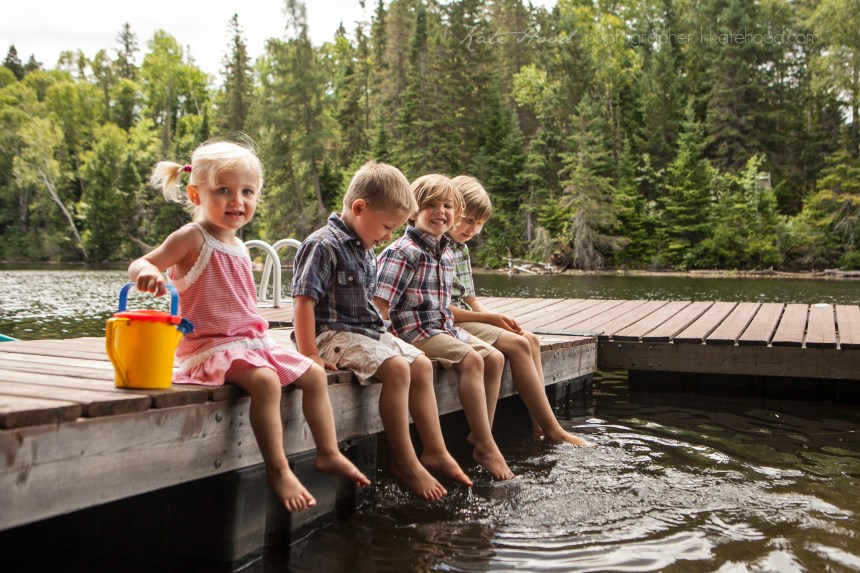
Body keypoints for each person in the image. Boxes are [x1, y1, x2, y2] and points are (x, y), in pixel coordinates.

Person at [129, 139, 369, 513]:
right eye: (223, 190)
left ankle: (328, 452)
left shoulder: (239, 246)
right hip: (210, 347)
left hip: (252, 343)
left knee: (314, 375)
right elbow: (142, 262)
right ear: (195, 194)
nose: (236, 201)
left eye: (247, 192)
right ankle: (278, 469)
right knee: (266, 382)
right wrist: (148, 273)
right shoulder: (192, 237)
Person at [291, 161, 472, 500]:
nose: (389, 236)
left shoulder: (365, 245)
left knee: (420, 364)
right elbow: (303, 302)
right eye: (387, 227)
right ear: (360, 208)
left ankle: (434, 450)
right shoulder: (323, 245)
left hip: (366, 333)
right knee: (398, 369)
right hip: (330, 335)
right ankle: (404, 460)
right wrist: (309, 354)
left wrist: (389, 336)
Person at [374, 174, 515, 481]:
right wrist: (382, 347)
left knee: (494, 358)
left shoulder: (447, 252)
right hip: (411, 331)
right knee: (472, 359)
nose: (440, 211)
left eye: (448, 206)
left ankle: (482, 435)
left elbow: (443, 307)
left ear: (456, 212)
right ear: (412, 213)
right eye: (431, 205)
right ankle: (487, 447)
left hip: (441, 327)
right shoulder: (403, 252)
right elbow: (379, 306)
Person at [447, 176, 593, 446]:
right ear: (452, 210)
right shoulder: (437, 248)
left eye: (479, 224)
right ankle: (553, 431)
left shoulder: (461, 250)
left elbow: (472, 300)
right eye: (468, 220)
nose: (473, 229)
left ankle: (540, 428)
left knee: (530, 339)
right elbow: (443, 309)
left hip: (468, 316)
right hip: (452, 321)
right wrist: (489, 319)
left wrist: (501, 320)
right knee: (517, 344)